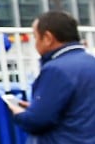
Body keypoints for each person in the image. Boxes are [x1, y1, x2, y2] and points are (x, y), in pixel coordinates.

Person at [6, 10, 95, 143]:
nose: (35, 44)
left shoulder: (55, 69)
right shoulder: (90, 62)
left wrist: (18, 113)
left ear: (47, 38)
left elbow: (37, 121)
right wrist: (37, 107)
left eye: (35, 38)